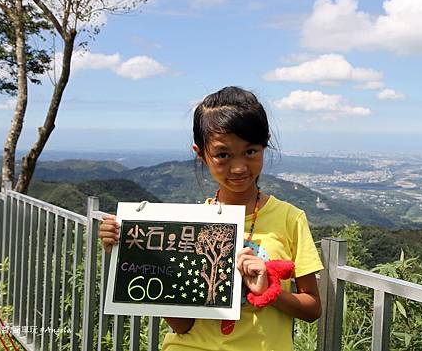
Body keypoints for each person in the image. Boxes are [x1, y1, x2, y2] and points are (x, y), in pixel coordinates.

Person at [98, 86, 324, 351]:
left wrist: (269, 292)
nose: (238, 167)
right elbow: (183, 326)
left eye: (250, 151)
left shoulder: (290, 219)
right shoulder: (190, 228)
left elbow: (312, 308)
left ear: (265, 144)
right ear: (201, 153)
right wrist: (133, 253)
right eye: (223, 155)